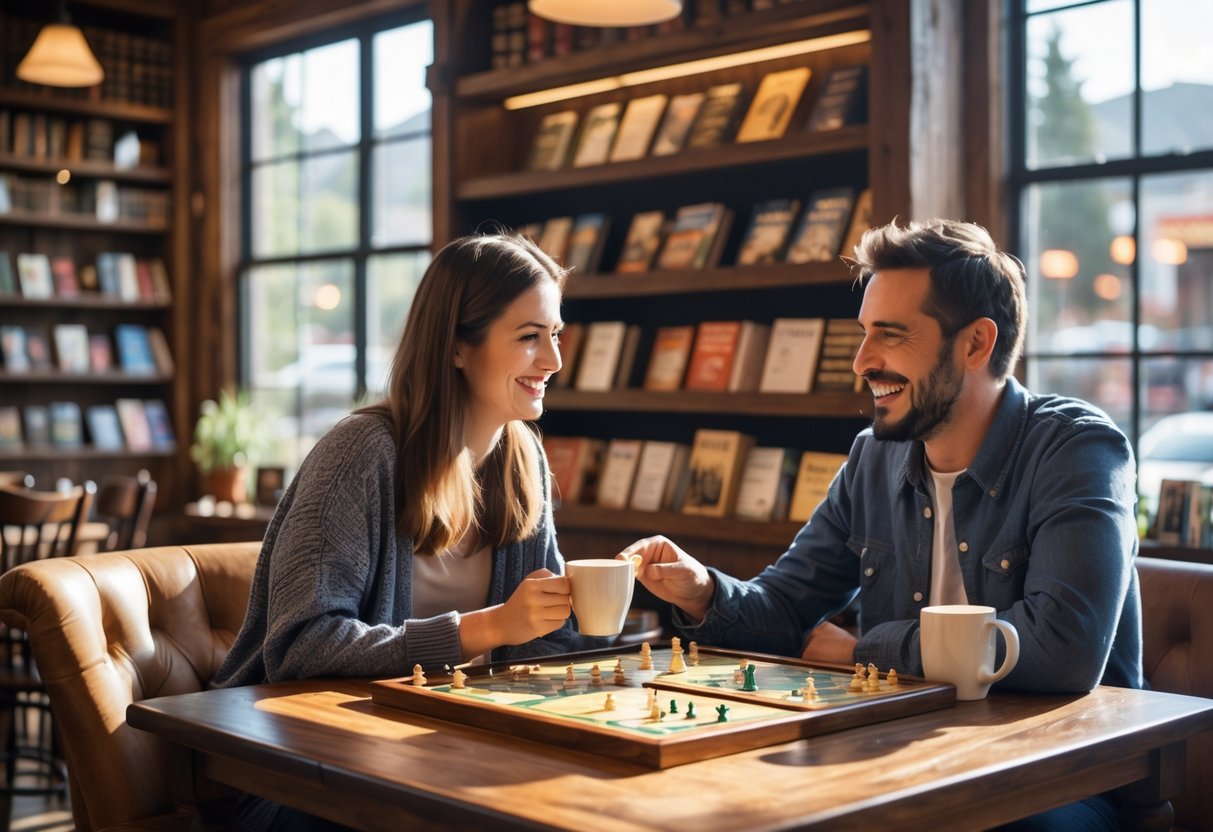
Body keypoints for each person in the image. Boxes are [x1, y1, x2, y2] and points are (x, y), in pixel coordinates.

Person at [619, 219, 1141, 831]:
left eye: (890, 336)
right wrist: (703, 591)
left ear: (975, 344)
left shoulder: (1078, 451)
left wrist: (868, 650)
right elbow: (787, 609)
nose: (864, 361)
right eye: (864, 335)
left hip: (1065, 775)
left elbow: (1061, 651)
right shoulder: (875, 456)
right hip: (906, 757)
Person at [212, 232, 600, 830]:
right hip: (293, 774)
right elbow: (300, 647)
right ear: (457, 348)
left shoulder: (524, 462)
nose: (553, 361)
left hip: (434, 756)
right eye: (529, 337)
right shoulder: (362, 454)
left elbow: (540, 649)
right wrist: (488, 628)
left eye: (555, 335)